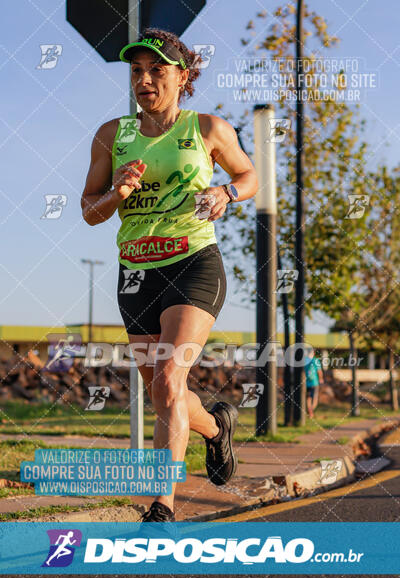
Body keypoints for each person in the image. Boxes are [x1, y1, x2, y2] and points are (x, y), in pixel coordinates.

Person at [81, 29, 258, 522]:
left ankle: (162, 504)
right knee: (163, 394)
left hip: (194, 262)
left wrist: (226, 194)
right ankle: (217, 428)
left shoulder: (208, 129)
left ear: (183, 76)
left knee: (168, 377)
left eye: (157, 70)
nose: (145, 80)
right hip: (137, 272)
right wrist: (117, 194)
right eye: (136, 71)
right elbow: (89, 211)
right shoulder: (110, 135)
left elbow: (250, 176)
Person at [304, 348, 324, 418]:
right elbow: (319, 371)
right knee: (314, 399)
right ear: (314, 353)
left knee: (308, 398)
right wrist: (321, 379)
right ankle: (311, 412)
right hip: (314, 383)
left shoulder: (305, 361)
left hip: (307, 383)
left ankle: (310, 412)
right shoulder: (316, 360)